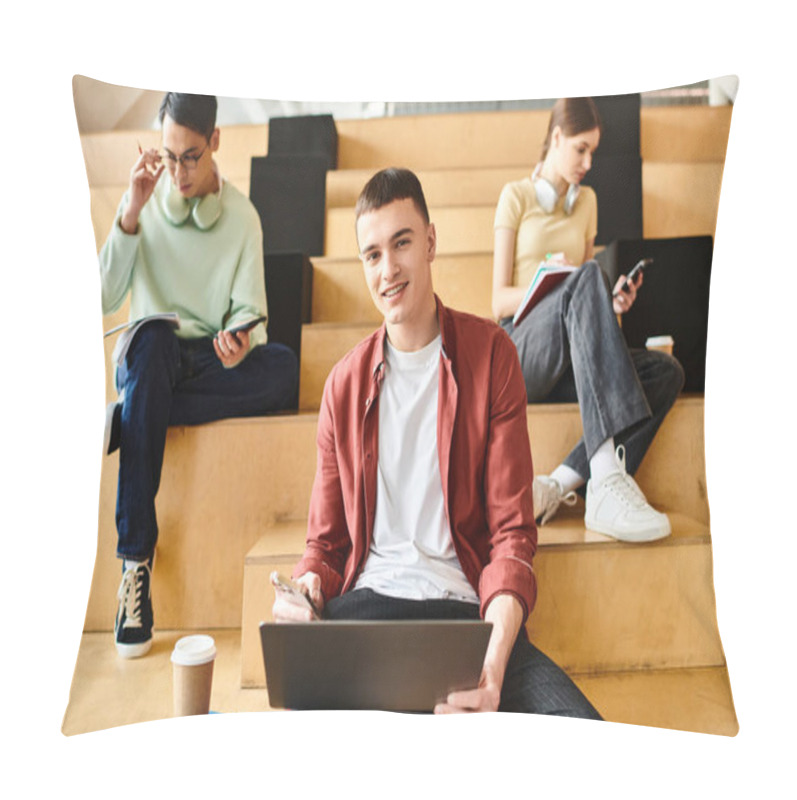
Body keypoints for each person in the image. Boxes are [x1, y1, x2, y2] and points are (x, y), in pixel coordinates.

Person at [273, 168, 602, 718]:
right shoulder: (343, 385)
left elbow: (511, 538)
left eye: (401, 243)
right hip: (368, 615)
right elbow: (326, 547)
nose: (388, 269)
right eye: (372, 254)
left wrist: (492, 671)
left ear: (430, 241)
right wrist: (305, 589)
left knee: (589, 742)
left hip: (469, 620)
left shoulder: (493, 354)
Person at [100, 92, 298, 658]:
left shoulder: (242, 219)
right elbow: (104, 296)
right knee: (154, 339)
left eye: (190, 156)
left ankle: (134, 413)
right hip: (153, 354)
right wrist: (131, 213)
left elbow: (249, 316)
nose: (178, 171)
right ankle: (135, 564)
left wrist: (239, 345)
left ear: (215, 142)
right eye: (167, 156)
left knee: (281, 367)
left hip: (208, 364)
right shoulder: (143, 200)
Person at [492, 97, 684, 542]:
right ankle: (605, 478)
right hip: (522, 348)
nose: (588, 162)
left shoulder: (588, 202)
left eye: (593, 152)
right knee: (586, 274)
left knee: (666, 372)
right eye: (580, 149)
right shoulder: (515, 196)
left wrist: (609, 305)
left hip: (570, 349)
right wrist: (548, 279)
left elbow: (585, 302)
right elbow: (498, 300)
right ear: (556, 137)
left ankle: (558, 485)